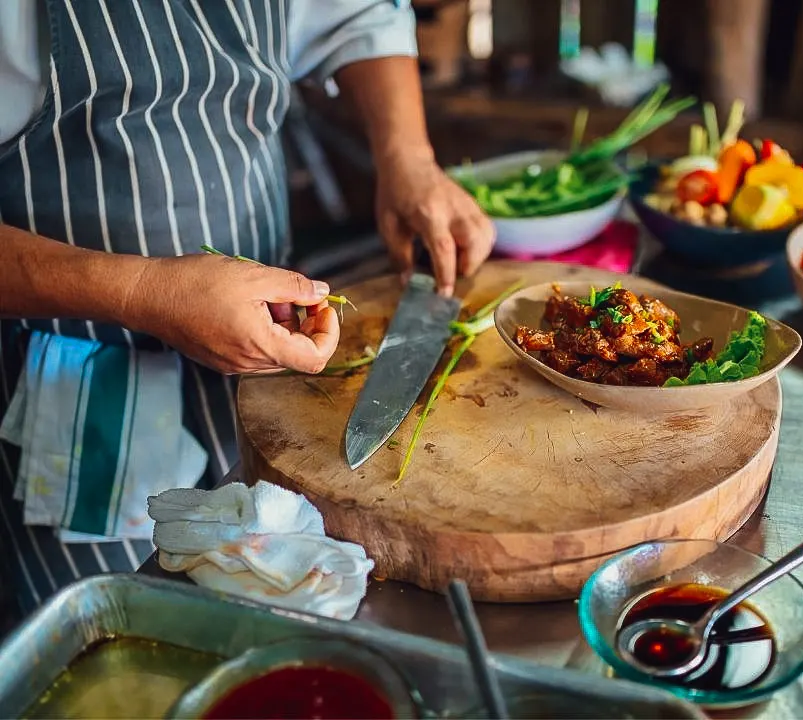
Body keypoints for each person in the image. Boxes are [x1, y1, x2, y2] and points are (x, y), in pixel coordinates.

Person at [0, 0, 494, 622]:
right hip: (82, 398)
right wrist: (140, 293)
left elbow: (361, 13)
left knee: (286, 621)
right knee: (131, 643)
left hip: (277, 377)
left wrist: (408, 158)